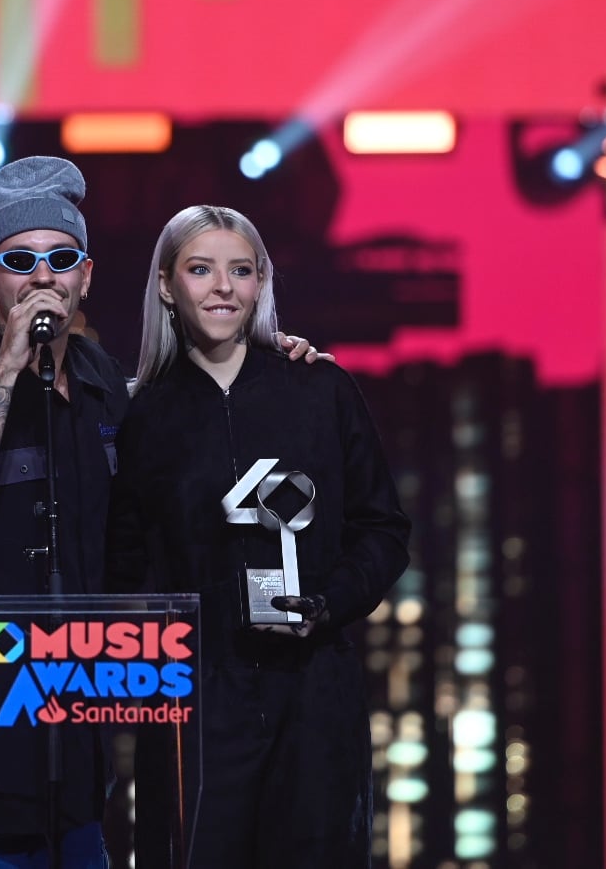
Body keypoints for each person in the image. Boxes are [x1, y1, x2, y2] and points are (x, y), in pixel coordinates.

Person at [0, 158, 324, 868]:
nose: (40, 276)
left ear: (84, 274)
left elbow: (185, 469)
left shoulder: (101, 380)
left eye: (59, 258)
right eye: (19, 260)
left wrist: (273, 354)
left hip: (80, 756)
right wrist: (6, 365)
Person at [106, 205, 412, 867]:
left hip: (314, 698)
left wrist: (327, 602)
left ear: (261, 282)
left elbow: (383, 531)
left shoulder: (321, 388)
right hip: (194, 705)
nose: (223, 287)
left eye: (240, 270)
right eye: (201, 269)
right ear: (166, 285)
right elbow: (119, 565)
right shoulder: (139, 415)